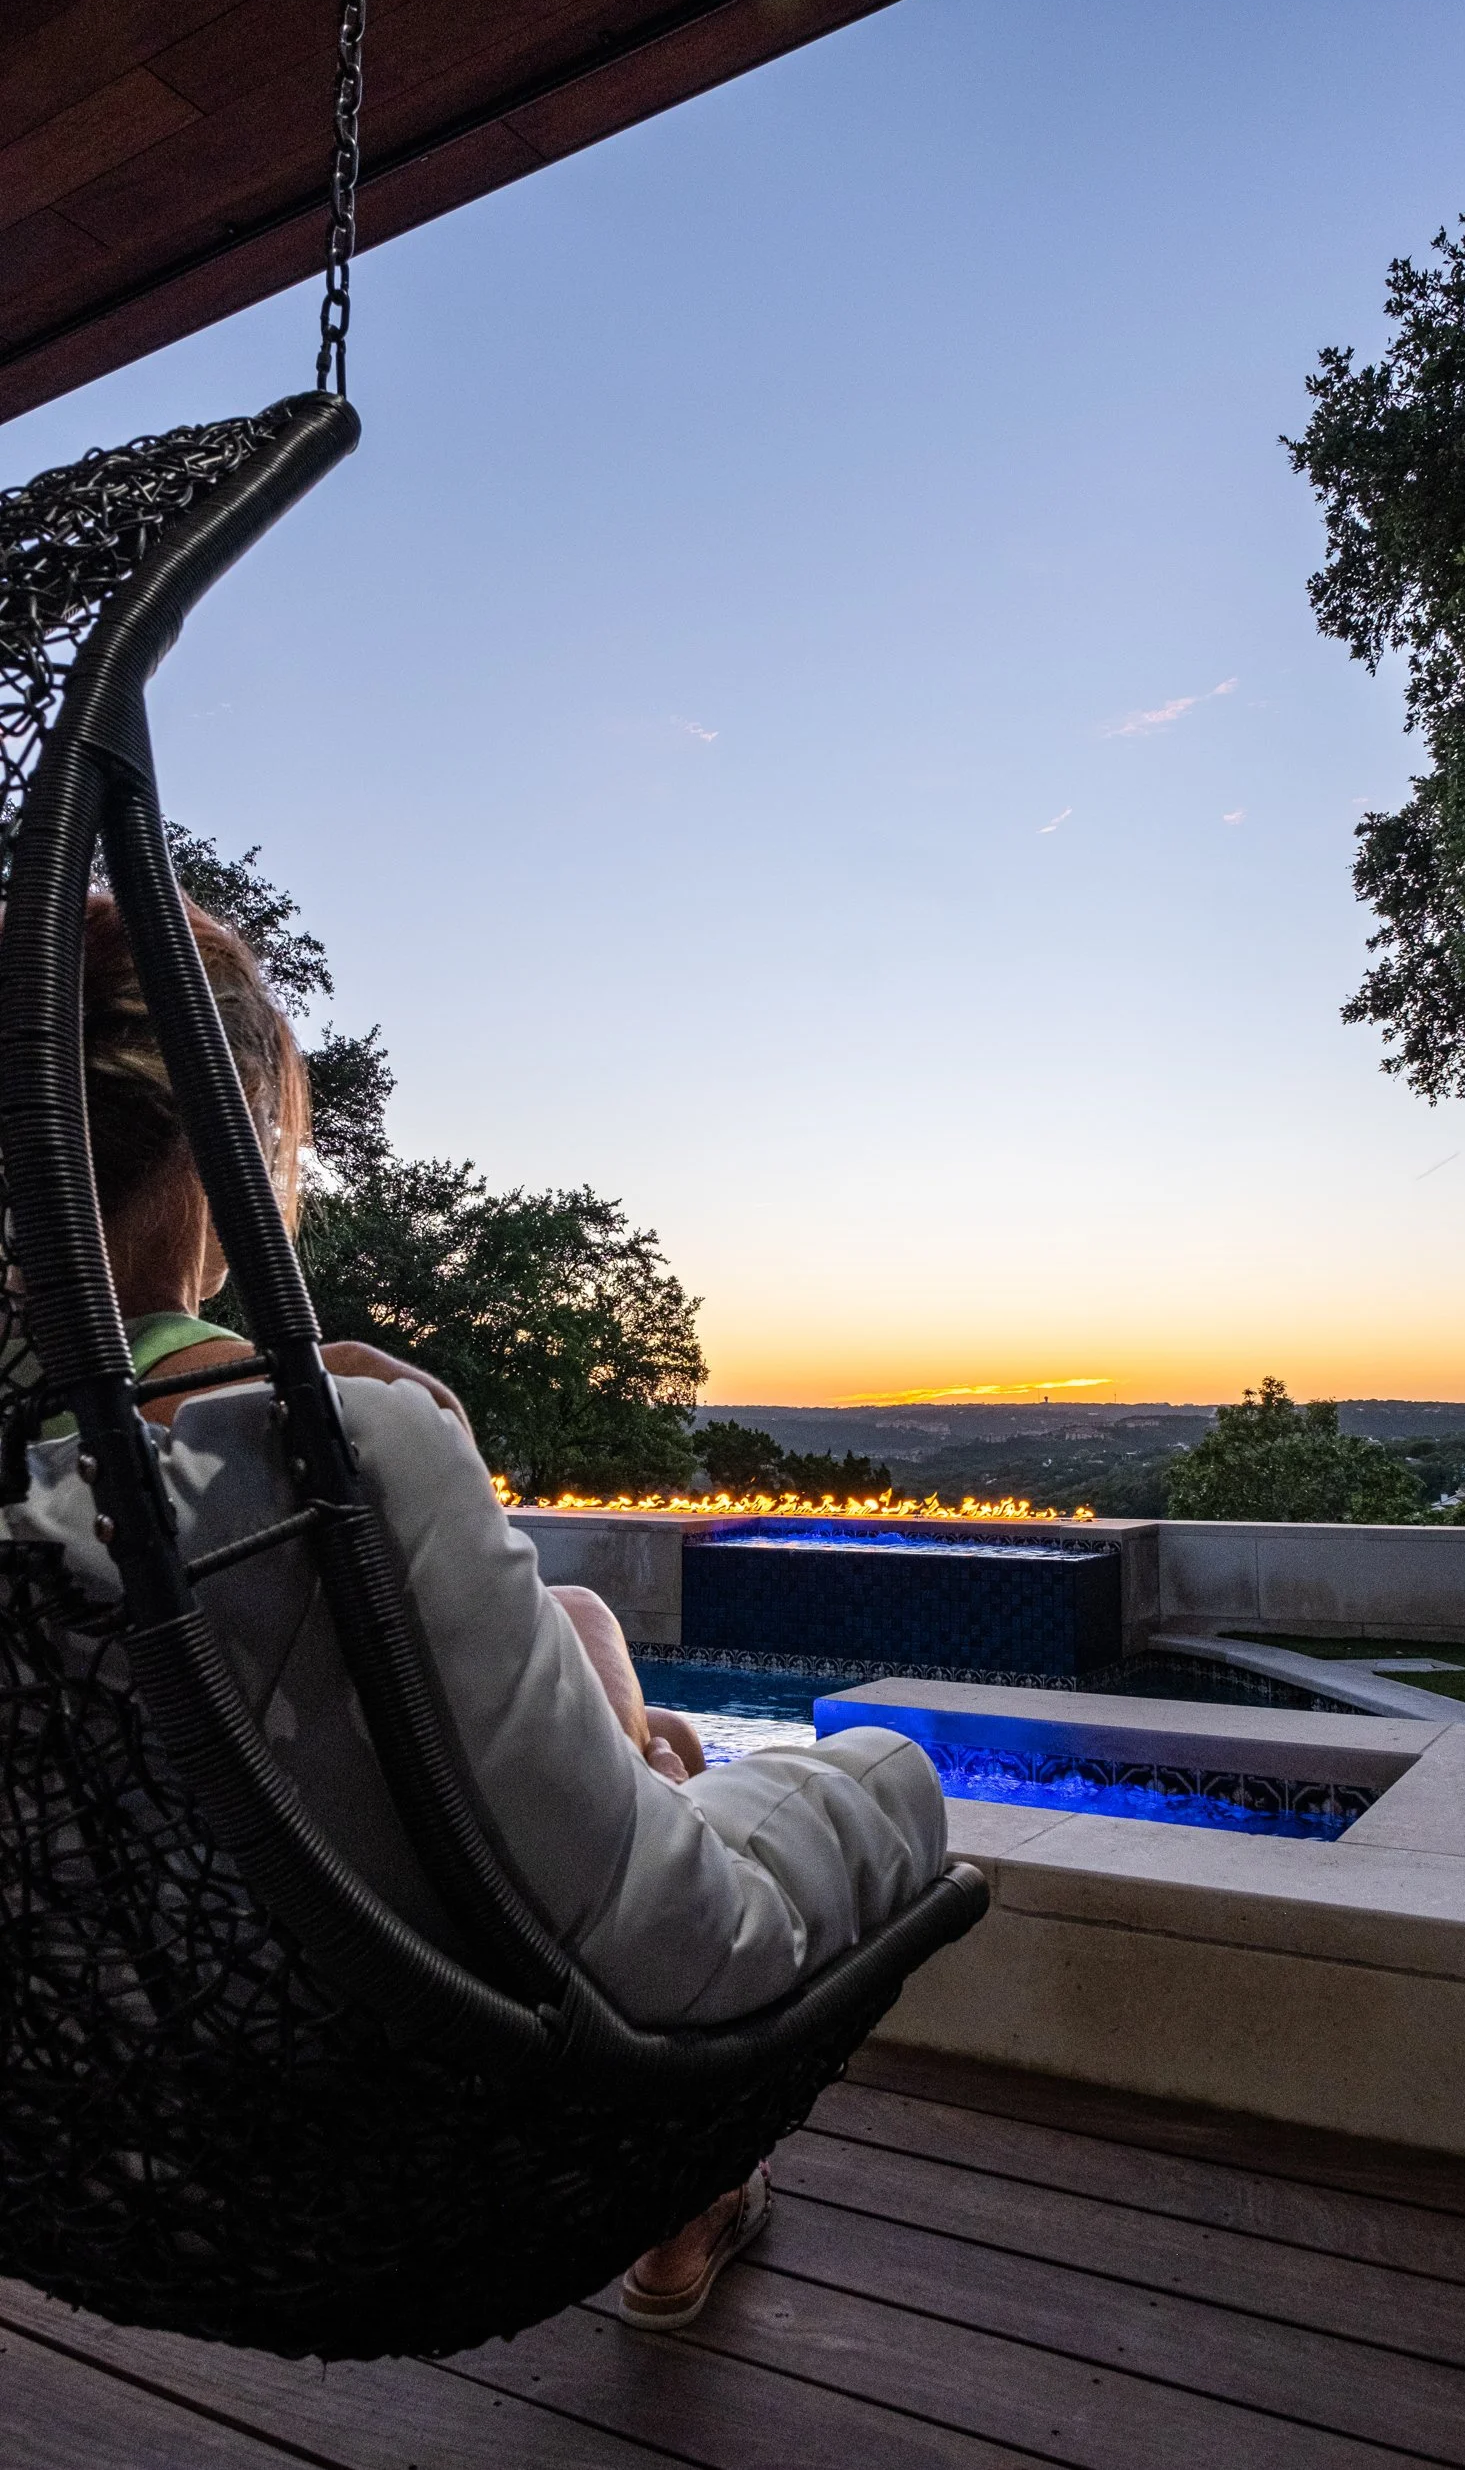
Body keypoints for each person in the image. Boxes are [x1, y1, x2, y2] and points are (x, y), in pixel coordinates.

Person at [10, 892, 947, 2329]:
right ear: (222, 1151)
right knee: (887, 1769)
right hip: (384, 2095)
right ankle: (692, 2175)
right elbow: (622, 1948)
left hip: (96, 2101)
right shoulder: (324, 1447)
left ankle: (641, 1768)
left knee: (573, 1623)